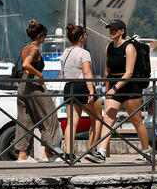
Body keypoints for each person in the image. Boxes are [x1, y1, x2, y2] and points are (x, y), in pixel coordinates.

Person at [95, 19, 152, 162]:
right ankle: (101, 152)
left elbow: (129, 73)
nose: (111, 31)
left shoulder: (129, 47)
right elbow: (107, 71)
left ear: (122, 31)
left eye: (114, 29)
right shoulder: (109, 47)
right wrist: (107, 90)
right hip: (114, 85)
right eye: (110, 29)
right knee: (108, 117)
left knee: (136, 120)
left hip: (130, 85)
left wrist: (114, 89)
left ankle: (146, 151)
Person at [13, 19, 63, 162]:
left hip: (23, 85)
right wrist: (40, 75)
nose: (45, 39)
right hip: (35, 85)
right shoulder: (34, 49)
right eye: (45, 36)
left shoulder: (25, 47)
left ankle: (23, 155)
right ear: (40, 36)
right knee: (49, 115)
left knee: (25, 119)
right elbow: (26, 64)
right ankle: (49, 153)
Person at [61, 23, 104, 164]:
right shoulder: (84, 53)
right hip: (82, 87)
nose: (86, 37)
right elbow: (87, 73)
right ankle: (92, 150)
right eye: (85, 35)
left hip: (69, 88)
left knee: (71, 123)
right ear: (80, 38)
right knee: (98, 118)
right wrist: (92, 91)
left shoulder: (65, 52)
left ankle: (69, 154)